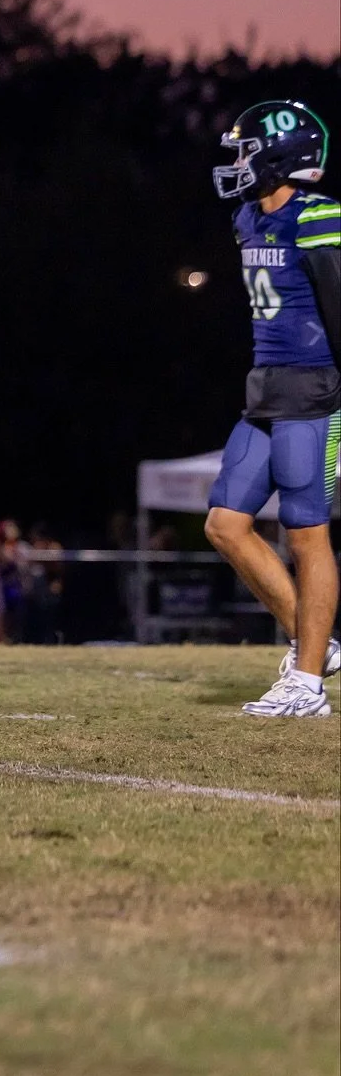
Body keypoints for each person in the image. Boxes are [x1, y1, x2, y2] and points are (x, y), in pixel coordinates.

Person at [204, 101, 340, 716]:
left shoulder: (320, 219)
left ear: (281, 156)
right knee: (226, 524)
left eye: (246, 150)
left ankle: (306, 684)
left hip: (315, 393)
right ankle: (317, 646)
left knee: (307, 535)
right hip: (265, 392)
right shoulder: (248, 219)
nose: (237, 163)